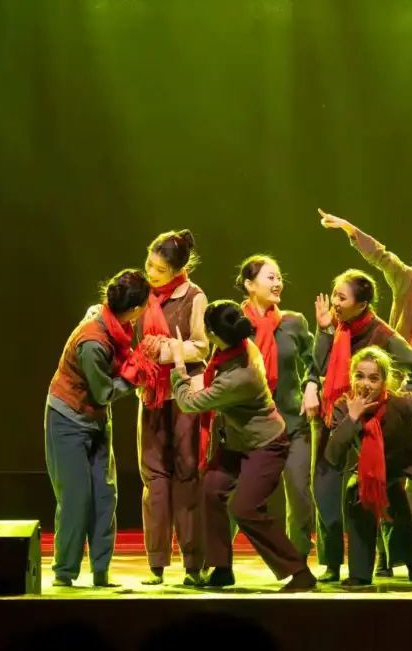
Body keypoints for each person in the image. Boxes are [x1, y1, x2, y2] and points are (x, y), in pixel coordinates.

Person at [317, 209, 412, 575]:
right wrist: (351, 230)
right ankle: (369, 561)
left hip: (398, 400)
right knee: (365, 482)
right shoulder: (408, 281)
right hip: (355, 402)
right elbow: (380, 255)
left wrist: (396, 397)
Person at [170, 300, 317, 591]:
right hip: (238, 441)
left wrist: (179, 366)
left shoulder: (240, 376)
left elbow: (189, 403)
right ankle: (221, 568)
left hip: (266, 444)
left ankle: (299, 572)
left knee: (245, 508)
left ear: (213, 334)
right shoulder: (235, 346)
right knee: (211, 490)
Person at [311, 269, 412, 582]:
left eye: (342, 297)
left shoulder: (382, 333)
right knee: (324, 491)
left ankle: (401, 560)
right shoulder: (335, 327)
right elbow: (318, 367)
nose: (335, 302)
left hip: (370, 428)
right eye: (334, 295)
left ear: (362, 304)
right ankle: (332, 563)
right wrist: (324, 332)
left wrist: (393, 404)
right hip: (333, 416)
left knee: (381, 491)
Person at [45, 269, 149, 587]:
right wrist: (133, 377)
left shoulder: (119, 325)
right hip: (68, 418)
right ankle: (64, 572)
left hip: (96, 419)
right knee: (76, 499)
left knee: (105, 496)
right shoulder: (93, 341)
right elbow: (103, 392)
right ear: (135, 308)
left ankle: (101, 572)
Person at [323, 347, 412, 585]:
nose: (365, 384)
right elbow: (333, 455)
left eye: (373, 378)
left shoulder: (401, 402)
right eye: (359, 376)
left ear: (384, 382)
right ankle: (361, 574)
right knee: (357, 494)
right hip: (382, 466)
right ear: (351, 377)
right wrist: (352, 418)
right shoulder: (344, 407)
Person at [134, 230, 210, 586]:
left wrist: (162, 350)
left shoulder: (194, 297)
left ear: (178, 270)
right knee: (154, 477)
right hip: (151, 393)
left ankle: (193, 563)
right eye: (150, 265)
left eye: (160, 269)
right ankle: (156, 563)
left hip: (184, 394)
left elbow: (201, 347)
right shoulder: (142, 295)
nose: (152, 273)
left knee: (186, 474)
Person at [236, 255, 318, 558]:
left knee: (299, 492)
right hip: (250, 425)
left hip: (292, 423)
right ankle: (216, 563)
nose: (278, 283)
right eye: (270, 277)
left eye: (279, 277)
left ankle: (298, 560)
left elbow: (315, 362)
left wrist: (312, 385)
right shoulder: (235, 325)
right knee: (235, 495)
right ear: (250, 284)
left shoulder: (293, 322)